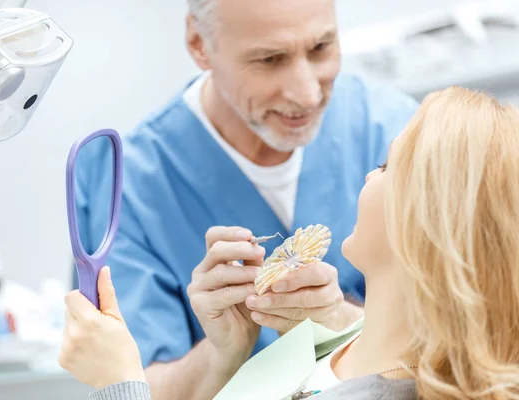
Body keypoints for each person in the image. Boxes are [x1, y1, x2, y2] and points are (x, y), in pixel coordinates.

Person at [61, 86, 519, 400]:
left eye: (385, 166)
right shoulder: (352, 343)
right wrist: (232, 351)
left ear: (425, 220)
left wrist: (118, 382)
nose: (366, 173)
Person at [73, 0, 417, 397]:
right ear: (199, 43)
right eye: (270, 59)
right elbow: (128, 382)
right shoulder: (128, 184)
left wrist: (341, 318)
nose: (306, 94)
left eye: (321, 48)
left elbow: (467, 333)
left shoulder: (392, 131)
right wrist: (219, 356)